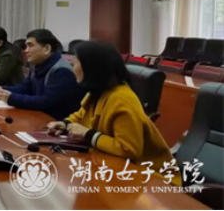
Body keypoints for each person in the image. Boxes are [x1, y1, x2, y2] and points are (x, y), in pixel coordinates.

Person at [47, 42, 181, 186]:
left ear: (92, 67)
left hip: (152, 179)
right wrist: (65, 123)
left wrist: (88, 134)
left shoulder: (121, 100)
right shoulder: (98, 92)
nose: (72, 63)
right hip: (117, 167)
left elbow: (128, 149)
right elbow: (82, 115)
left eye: (77, 60)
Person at [0, 29, 85, 120]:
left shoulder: (61, 71)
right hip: (40, 116)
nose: (26, 50)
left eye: (30, 46)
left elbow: (46, 102)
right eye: (26, 46)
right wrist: (4, 89)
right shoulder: (37, 65)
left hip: (57, 122)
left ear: (46, 49)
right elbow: (26, 88)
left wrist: (11, 98)